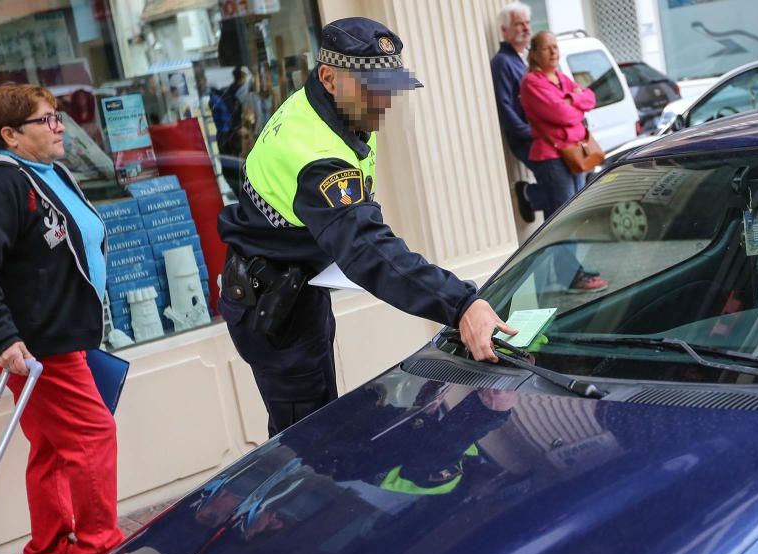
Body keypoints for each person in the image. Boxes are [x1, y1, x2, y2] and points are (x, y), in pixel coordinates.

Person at [218, 17, 515, 437]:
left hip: (296, 286)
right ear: (329, 77)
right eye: (372, 87)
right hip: (273, 307)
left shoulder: (340, 113)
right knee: (307, 445)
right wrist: (461, 304)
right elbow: (367, 250)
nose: (384, 101)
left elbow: (358, 223)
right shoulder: (316, 153)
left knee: (320, 428)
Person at [0, 84, 124, 554]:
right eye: (46, 120)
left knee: (53, 450)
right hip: (39, 346)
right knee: (92, 436)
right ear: (10, 135)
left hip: (63, 335)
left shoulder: (47, 172)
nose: (59, 126)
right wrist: (1, 338)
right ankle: (97, 551)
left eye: (57, 117)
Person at [521, 31, 609, 293]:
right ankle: (569, 274)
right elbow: (561, 114)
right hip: (552, 157)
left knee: (572, 214)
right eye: (546, 48)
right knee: (563, 217)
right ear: (534, 53)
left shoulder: (561, 78)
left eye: (555, 47)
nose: (553, 52)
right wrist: (573, 104)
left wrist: (572, 100)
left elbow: (590, 97)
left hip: (575, 155)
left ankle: (570, 270)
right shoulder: (532, 82)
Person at [490, 2, 546, 223]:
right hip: (528, 140)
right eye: (518, 24)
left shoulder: (528, 58)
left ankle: (530, 195)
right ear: (504, 30)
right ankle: (529, 195)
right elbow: (504, 106)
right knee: (561, 191)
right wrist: (530, 134)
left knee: (570, 183)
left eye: (527, 23)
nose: (525, 28)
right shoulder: (502, 62)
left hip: (545, 136)